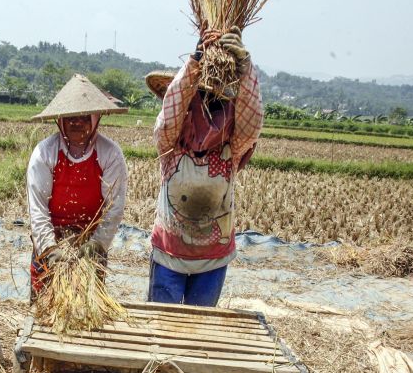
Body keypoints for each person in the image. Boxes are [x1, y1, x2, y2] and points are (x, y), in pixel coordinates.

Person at [145, 27, 262, 306]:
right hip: (169, 256)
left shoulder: (231, 150)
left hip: (213, 259)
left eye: (219, 102)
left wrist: (246, 70)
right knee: (162, 326)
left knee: (200, 325)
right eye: (201, 99)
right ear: (189, 104)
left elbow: (252, 123)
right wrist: (194, 63)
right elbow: (169, 114)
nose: (210, 110)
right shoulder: (171, 145)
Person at [25, 74, 129, 295]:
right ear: (60, 120)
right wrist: (50, 249)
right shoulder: (45, 152)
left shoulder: (110, 154)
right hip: (50, 240)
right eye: (70, 117)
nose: (76, 123)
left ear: (96, 118)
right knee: (44, 308)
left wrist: (96, 245)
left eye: (83, 117)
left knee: (87, 308)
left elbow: (113, 209)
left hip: (90, 243)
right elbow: (38, 207)